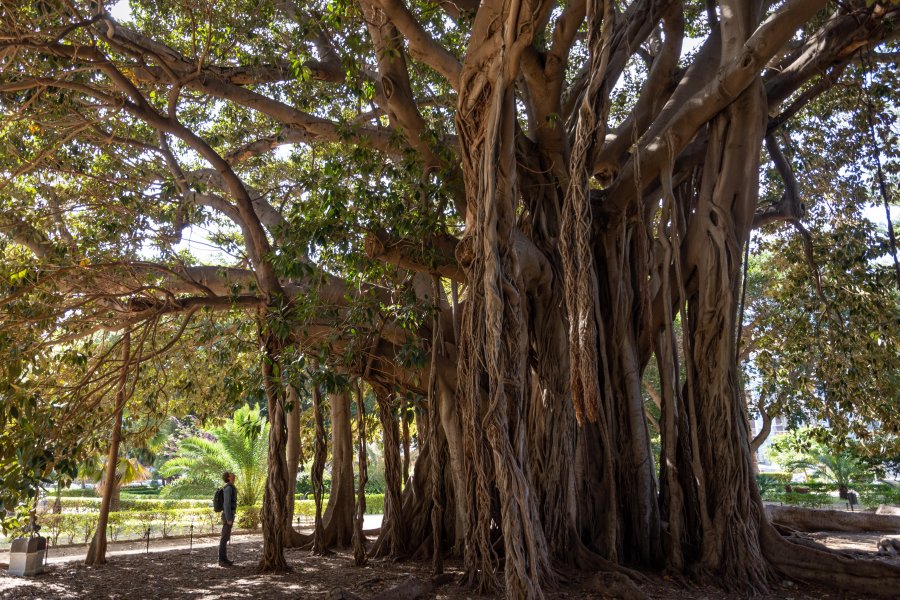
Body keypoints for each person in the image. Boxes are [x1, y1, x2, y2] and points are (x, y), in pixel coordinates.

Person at [219, 471, 237, 566]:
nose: (233, 475)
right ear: (228, 477)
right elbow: (226, 504)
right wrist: (229, 518)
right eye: (231, 474)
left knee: (225, 538)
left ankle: (224, 559)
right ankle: (222, 560)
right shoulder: (228, 488)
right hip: (227, 517)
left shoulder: (230, 487)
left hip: (228, 516)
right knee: (224, 538)